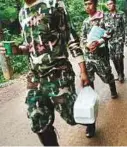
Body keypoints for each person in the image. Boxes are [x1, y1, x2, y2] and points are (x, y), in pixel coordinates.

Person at [0, 0, 95, 145]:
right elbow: (30, 46)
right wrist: (17, 50)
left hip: (59, 73)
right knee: (38, 121)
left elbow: (70, 37)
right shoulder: (22, 13)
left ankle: (89, 120)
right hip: (36, 77)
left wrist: (83, 71)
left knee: (72, 116)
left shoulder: (54, 4)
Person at [81, 0, 118, 98]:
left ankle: (113, 91)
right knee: (89, 77)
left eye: (90, 3)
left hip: (101, 54)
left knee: (107, 74)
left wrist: (99, 42)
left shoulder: (104, 17)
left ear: (95, 4)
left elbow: (110, 31)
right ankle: (92, 98)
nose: (87, 6)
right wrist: (87, 45)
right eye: (85, 4)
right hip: (88, 55)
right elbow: (83, 37)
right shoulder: (85, 21)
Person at [105, 0, 126, 83]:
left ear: (114, 4)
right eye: (108, 4)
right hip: (111, 40)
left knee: (119, 56)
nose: (109, 5)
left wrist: (126, 37)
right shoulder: (106, 16)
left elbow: (126, 26)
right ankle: (118, 73)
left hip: (120, 39)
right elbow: (103, 27)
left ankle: (121, 74)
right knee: (113, 58)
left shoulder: (121, 14)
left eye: (111, 3)